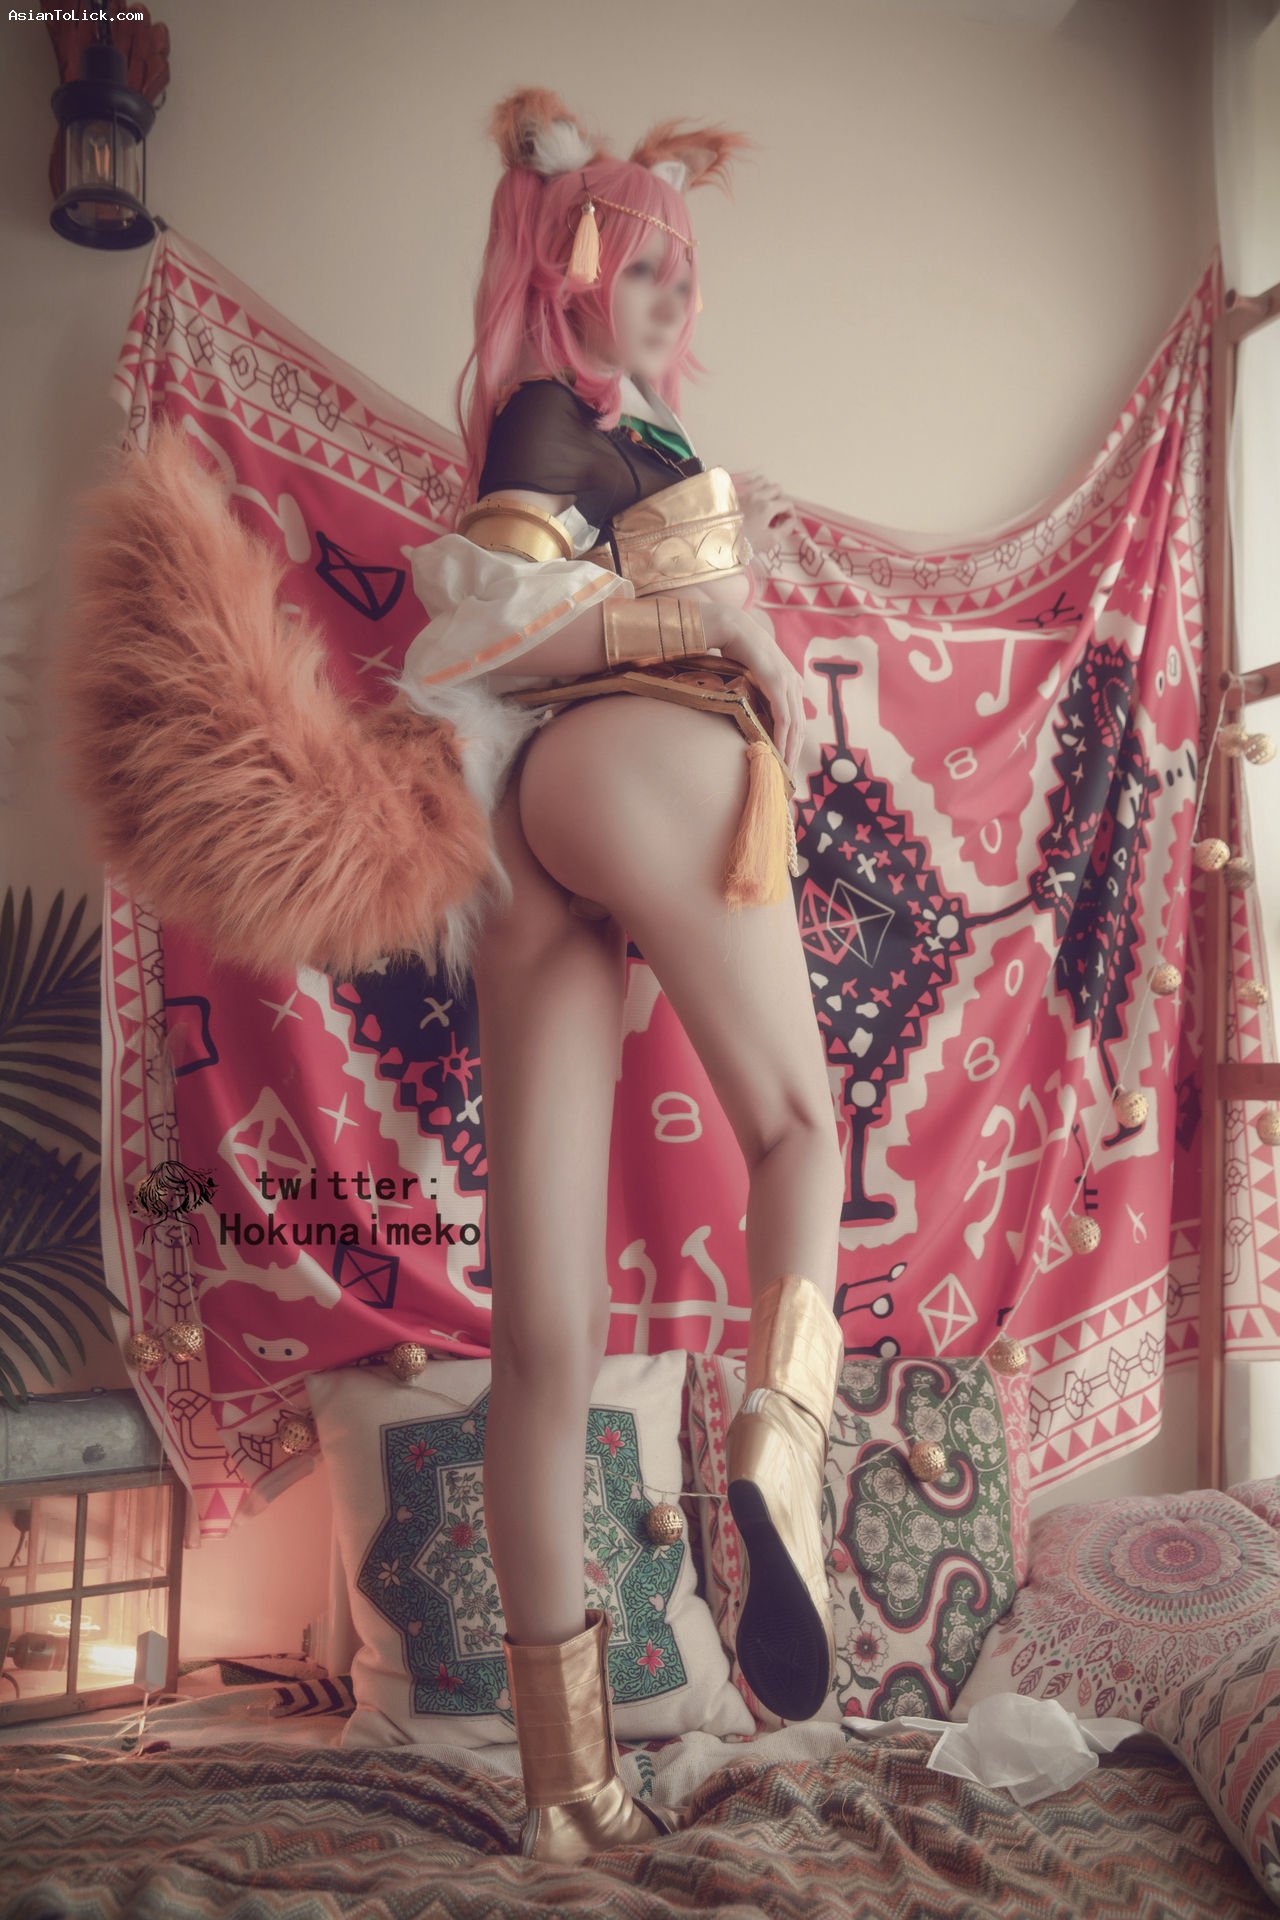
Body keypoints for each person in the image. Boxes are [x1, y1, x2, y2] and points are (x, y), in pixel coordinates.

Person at [384, 88, 850, 1864]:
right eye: (642, 268)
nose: (671, 299)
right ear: (571, 272)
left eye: (681, 274)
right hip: (633, 749)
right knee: (799, 1131)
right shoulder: (558, 417)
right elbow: (471, 634)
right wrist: (708, 623)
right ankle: (778, 1460)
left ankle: (569, 1793)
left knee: (544, 1336)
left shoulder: (583, 425)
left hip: (533, 835)